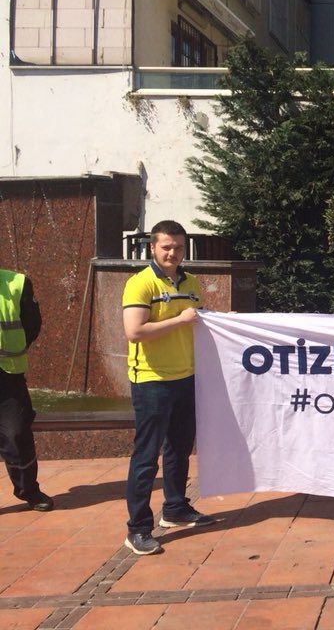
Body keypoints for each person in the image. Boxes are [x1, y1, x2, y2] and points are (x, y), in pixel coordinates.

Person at [122, 220, 213, 555]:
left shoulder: (190, 282)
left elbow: (196, 321)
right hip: (151, 380)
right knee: (146, 456)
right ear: (152, 248)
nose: (173, 253)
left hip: (185, 377)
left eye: (178, 247)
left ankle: (175, 508)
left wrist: (220, 320)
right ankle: (138, 529)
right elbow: (134, 331)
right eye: (166, 247)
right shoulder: (140, 283)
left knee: (179, 448)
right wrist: (180, 320)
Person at [0, 269, 53, 512]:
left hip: (7, 373)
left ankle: (29, 490)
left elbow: (32, 324)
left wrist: (16, 347)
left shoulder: (17, 283)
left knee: (17, 433)